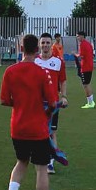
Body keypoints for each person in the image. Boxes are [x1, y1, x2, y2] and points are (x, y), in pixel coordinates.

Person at [0, 34, 59, 190]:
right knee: (41, 168)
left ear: (21, 48)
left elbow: (4, 100)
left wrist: (21, 104)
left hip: (18, 127)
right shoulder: (42, 73)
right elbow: (52, 103)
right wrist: (47, 112)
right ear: (37, 49)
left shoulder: (10, 71)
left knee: (21, 162)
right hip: (37, 128)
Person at [35, 33, 70, 174]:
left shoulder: (58, 62)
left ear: (51, 44)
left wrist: (64, 96)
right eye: (43, 42)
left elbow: (63, 80)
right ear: (39, 44)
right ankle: (42, 157)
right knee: (38, 132)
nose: (45, 45)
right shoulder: (34, 61)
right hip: (36, 104)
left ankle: (50, 162)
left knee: (51, 132)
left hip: (52, 104)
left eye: (47, 42)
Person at [76, 31, 96, 108]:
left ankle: (90, 103)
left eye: (78, 36)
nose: (77, 38)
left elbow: (81, 56)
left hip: (85, 67)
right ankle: (91, 102)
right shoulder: (88, 44)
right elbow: (92, 55)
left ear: (82, 36)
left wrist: (76, 55)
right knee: (88, 84)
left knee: (85, 85)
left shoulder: (82, 44)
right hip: (89, 66)